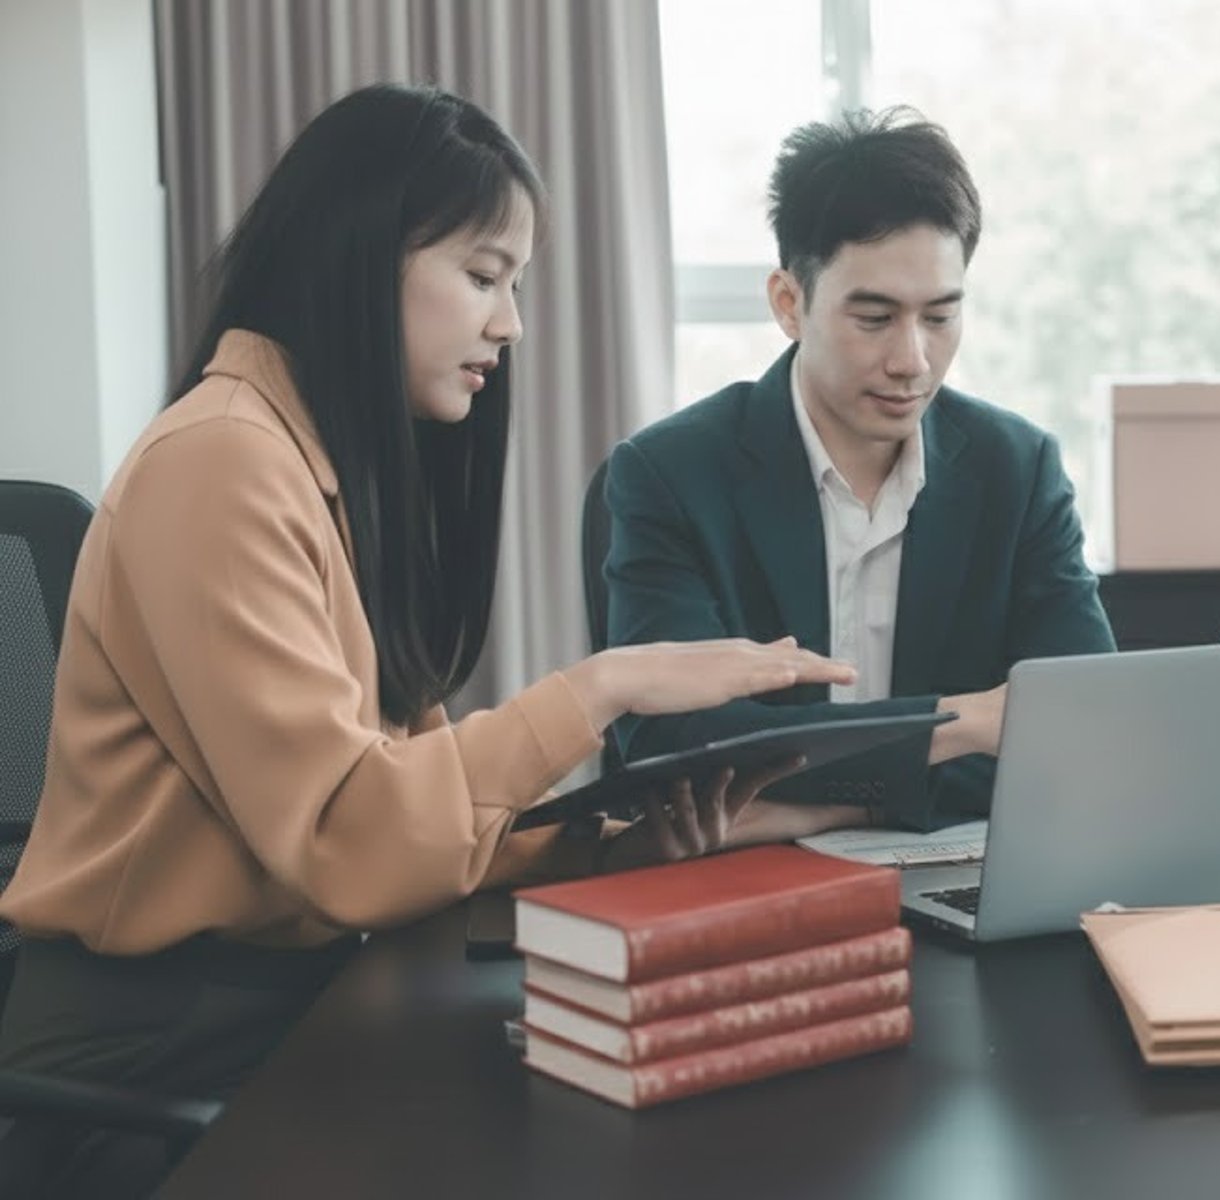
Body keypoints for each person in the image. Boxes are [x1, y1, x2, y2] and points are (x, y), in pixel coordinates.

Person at [0, 84, 851, 1195]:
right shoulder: (218, 464)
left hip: (285, 1001)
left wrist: (616, 847)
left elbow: (413, 827)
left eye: (516, 285)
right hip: (152, 1060)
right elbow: (357, 846)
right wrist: (598, 688)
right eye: (484, 276)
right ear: (362, 256)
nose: (511, 323)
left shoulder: (320, 466)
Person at [604, 108, 1115, 833]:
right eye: (874, 319)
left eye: (940, 317)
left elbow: (1083, 726)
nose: (913, 359)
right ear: (790, 303)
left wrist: (812, 804)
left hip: (959, 871)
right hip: (751, 886)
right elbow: (675, 745)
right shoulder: (671, 474)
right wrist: (968, 723)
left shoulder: (1018, 469)